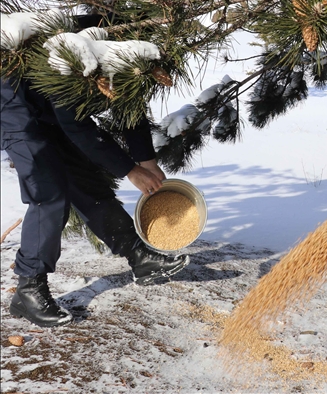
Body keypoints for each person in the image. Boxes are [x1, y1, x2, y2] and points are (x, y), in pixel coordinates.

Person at [1, 20, 190, 328]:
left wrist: (146, 159)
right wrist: (130, 170)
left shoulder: (127, 57)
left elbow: (130, 107)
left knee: (86, 181)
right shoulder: (79, 63)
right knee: (49, 193)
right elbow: (76, 126)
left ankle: (139, 257)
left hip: (46, 105)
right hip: (14, 106)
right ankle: (28, 289)